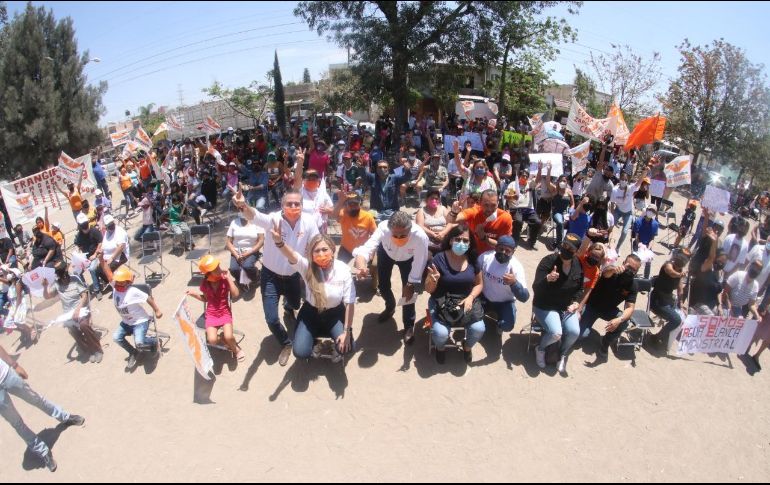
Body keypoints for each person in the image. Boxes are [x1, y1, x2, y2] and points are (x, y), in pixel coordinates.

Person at [232, 152, 320, 367]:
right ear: (282, 205)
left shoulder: (309, 222)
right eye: (289, 204)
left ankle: (289, 309)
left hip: (293, 276)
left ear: (302, 205)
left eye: (297, 204)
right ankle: (286, 342)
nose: (293, 207)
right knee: (271, 319)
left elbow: (317, 245)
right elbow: (254, 215)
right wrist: (243, 206)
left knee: (294, 304)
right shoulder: (273, 220)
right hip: (270, 277)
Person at [270, 229, 355, 361]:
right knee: (300, 352)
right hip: (311, 312)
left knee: (347, 347)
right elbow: (292, 255)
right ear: (311, 253)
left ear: (332, 250)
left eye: (325, 249)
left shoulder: (343, 269)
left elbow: (350, 302)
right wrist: (279, 242)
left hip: (335, 313)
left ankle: (334, 345)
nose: (321, 254)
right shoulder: (307, 267)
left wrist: (346, 332)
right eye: (316, 251)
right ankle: (314, 342)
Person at [0, 343, 85, 472]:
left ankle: (65, 417)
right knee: (16, 422)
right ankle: (43, 451)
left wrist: (15, 365)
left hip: (6, 374)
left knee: (36, 399)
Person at [353, 211, 430, 344]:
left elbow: (420, 261)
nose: (399, 238)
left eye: (403, 235)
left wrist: (411, 283)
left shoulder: (420, 236)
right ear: (389, 229)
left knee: (408, 294)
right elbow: (367, 248)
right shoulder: (383, 228)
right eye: (395, 235)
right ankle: (390, 306)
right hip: (386, 254)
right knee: (383, 286)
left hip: (408, 259)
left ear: (410, 229)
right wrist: (361, 266)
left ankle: (408, 325)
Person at [425, 225, 485, 364]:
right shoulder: (439, 259)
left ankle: (467, 347)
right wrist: (433, 281)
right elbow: (428, 290)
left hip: (466, 301)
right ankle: (440, 348)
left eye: (465, 240)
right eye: (457, 239)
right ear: (451, 240)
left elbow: (479, 284)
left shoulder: (473, 259)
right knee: (440, 333)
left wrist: (470, 297)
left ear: (470, 243)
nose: (461, 243)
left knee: (479, 328)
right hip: (441, 301)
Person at [531, 233, 585, 370]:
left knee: (574, 332)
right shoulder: (548, 261)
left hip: (566, 306)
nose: (566, 249)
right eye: (565, 245)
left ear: (576, 251)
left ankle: (562, 353)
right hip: (545, 305)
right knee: (556, 333)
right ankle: (540, 349)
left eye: (570, 248)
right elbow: (536, 288)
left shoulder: (578, 264)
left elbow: (580, 289)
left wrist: (576, 302)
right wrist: (547, 279)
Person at [578, 255, 642, 368]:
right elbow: (606, 272)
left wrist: (619, 319)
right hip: (591, 307)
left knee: (624, 322)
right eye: (628, 267)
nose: (630, 271)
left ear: (637, 272)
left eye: (633, 270)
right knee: (580, 336)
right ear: (623, 263)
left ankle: (605, 343)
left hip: (608, 310)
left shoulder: (633, 285)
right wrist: (613, 269)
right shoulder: (613, 272)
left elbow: (630, 308)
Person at [103, 265, 164, 372]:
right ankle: (133, 352)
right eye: (117, 281)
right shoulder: (115, 286)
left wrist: (157, 310)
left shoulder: (133, 291)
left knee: (139, 343)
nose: (118, 284)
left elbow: (148, 298)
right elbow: (109, 275)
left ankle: (154, 341)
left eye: (121, 282)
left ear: (127, 282)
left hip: (140, 322)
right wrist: (101, 260)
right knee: (116, 337)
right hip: (126, 322)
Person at [41, 262, 104, 363]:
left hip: (81, 309)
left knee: (84, 325)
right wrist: (45, 287)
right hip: (68, 313)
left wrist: (78, 310)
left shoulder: (75, 279)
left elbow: (84, 295)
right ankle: (88, 349)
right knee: (71, 328)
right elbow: (47, 296)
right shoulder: (56, 284)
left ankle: (97, 350)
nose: (61, 277)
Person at [186, 256, 244, 361]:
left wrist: (229, 278)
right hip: (211, 314)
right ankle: (222, 338)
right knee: (212, 340)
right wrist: (193, 294)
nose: (219, 269)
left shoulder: (224, 279)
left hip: (224, 312)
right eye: (215, 269)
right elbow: (205, 299)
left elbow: (235, 294)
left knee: (229, 337)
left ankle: (236, 350)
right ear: (208, 273)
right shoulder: (205, 284)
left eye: (218, 266)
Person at [479, 236, 529, 335]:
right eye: (501, 249)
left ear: (513, 252)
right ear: (496, 247)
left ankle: (500, 324)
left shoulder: (516, 267)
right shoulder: (485, 257)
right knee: (471, 317)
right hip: (484, 298)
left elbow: (524, 297)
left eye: (507, 251)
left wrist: (514, 283)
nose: (503, 252)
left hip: (504, 302)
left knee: (507, 325)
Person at [448, 189, 513, 254]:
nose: (489, 209)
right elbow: (451, 220)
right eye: (486, 205)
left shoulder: (505, 218)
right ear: (480, 203)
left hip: (493, 255)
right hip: (473, 253)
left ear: (498, 203)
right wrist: (454, 212)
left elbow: (504, 246)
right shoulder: (474, 212)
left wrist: (484, 238)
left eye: (493, 205)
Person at [649, 251, 690, 350]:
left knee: (682, 315)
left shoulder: (680, 271)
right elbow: (671, 273)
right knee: (676, 320)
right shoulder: (668, 265)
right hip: (657, 300)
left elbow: (680, 289)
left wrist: (681, 303)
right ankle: (656, 337)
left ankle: (666, 337)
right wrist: (680, 274)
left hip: (668, 300)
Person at [365, 158, 414, 223]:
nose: (382, 169)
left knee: (398, 225)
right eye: (380, 167)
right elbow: (363, 174)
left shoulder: (395, 178)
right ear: (376, 169)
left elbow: (407, 177)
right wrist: (361, 166)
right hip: (376, 211)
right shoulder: (372, 178)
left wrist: (407, 169)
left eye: (385, 167)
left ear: (388, 168)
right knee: (370, 224)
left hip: (392, 211)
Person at [611, 168, 648, 252]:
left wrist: (644, 172)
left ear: (627, 181)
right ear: (619, 179)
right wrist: (612, 216)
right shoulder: (615, 190)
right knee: (610, 226)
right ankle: (608, 242)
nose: (624, 181)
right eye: (622, 179)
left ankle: (617, 248)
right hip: (618, 210)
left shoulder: (630, 188)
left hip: (628, 213)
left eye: (625, 180)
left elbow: (639, 182)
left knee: (625, 232)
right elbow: (612, 203)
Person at [505, 167, 542, 250]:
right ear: (519, 176)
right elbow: (507, 197)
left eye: (526, 176)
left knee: (538, 222)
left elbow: (537, 180)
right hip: (516, 208)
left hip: (529, 209)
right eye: (523, 175)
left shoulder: (530, 184)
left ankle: (532, 241)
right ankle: (514, 241)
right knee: (518, 221)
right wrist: (513, 197)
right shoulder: (513, 184)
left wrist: (539, 169)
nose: (524, 177)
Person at [226, 211, 265, 286]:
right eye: (239, 209)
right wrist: (236, 255)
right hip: (236, 251)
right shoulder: (234, 222)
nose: (242, 211)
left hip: (252, 250)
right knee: (234, 269)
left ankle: (256, 277)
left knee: (247, 266)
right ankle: (240, 281)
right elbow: (228, 242)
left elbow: (261, 240)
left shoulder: (257, 222)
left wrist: (248, 252)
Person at [74, 214, 104, 296]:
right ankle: (84, 289)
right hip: (85, 257)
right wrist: (77, 253)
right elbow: (78, 245)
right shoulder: (79, 235)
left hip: (96, 255)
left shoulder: (94, 231)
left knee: (92, 269)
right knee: (76, 272)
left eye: (85, 224)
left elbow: (100, 242)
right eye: (82, 225)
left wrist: (95, 254)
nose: (85, 226)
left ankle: (97, 290)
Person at [416, 189, 452, 255]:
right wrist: (433, 234)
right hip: (429, 240)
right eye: (432, 198)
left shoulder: (443, 209)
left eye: (436, 198)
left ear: (439, 200)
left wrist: (443, 233)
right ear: (427, 199)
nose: (434, 200)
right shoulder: (422, 211)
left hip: (443, 238)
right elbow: (420, 225)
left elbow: (450, 223)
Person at [632, 205, 660, 278]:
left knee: (648, 262)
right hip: (637, 244)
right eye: (650, 210)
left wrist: (648, 248)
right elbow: (636, 236)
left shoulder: (655, 224)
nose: (651, 212)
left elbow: (652, 238)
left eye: (653, 211)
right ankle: (633, 275)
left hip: (648, 246)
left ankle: (646, 278)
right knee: (636, 261)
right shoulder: (638, 221)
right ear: (647, 210)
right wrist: (639, 244)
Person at [550, 174, 574, 248]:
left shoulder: (569, 191)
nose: (562, 182)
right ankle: (559, 244)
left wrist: (570, 211)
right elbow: (548, 183)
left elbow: (572, 204)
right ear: (558, 181)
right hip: (557, 212)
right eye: (561, 181)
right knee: (560, 222)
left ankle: (570, 242)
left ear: (567, 182)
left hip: (566, 213)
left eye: (564, 181)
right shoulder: (556, 190)